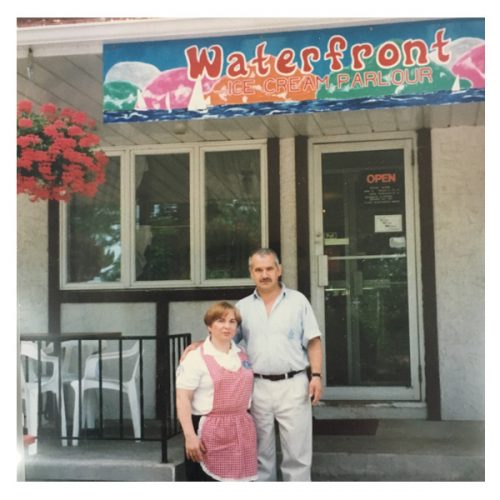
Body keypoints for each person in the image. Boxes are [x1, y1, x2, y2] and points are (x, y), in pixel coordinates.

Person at [236, 248, 323, 481]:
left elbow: (314, 340)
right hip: (257, 387)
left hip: (293, 384)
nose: (264, 274)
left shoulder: (298, 301)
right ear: (251, 273)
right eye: (258, 270)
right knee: (261, 457)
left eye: (269, 269)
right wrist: (199, 346)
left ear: (279, 270)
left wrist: (316, 375)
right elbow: (226, 342)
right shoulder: (242, 307)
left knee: (297, 456)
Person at [176, 301, 258, 482]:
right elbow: (182, 398)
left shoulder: (242, 354)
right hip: (207, 433)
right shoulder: (195, 357)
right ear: (209, 325)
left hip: (241, 430)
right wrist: (190, 437)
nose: (227, 326)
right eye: (220, 321)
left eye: (232, 321)